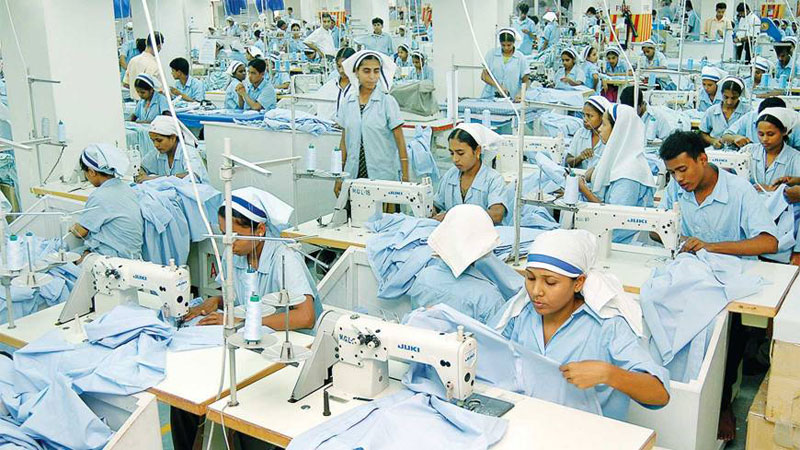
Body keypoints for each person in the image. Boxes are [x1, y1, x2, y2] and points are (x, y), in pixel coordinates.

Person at [174, 187, 319, 450]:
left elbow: (305, 316)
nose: (227, 242)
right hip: (250, 347)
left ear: (260, 230)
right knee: (183, 400)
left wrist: (242, 321)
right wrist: (216, 301)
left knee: (247, 413)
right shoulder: (237, 254)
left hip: (288, 354)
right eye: (223, 233)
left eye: (235, 235)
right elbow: (241, 295)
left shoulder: (285, 258)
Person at [659, 132, 778, 441]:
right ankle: (678, 395)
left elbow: (768, 241)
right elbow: (662, 228)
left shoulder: (739, 191)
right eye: (672, 172)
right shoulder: (677, 190)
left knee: (726, 333)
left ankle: (721, 404)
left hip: (730, 280)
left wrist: (711, 246)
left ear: (703, 159)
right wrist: (667, 235)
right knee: (660, 311)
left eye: (682, 169)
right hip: (693, 276)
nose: (678, 179)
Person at [491, 229, 670, 422]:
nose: (536, 291)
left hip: (586, 432)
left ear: (578, 283)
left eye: (550, 282)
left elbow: (659, 394)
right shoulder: (520, 316)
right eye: (531, 278)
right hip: (528, 423)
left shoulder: (608, 327)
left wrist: (609, 374)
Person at [578, 104, 656, 243]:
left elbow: (613, 217)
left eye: (604, 124)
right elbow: (598, 171)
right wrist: (590, 175)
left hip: (624, 242)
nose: (600, 129)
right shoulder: (620, 158)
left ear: (618, 130)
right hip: (611, 237)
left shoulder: (629, 174)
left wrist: (584, 190)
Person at [335, 50, 408, 194]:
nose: (372, 77)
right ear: (356, 72)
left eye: (376, 71)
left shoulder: (387, 102)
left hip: (383, 175)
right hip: (353, 174)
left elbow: (400, 141)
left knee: (383, 208)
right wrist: (339, 176)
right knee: (354, 207)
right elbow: (344, 142)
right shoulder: (348, 102)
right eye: (366, 71)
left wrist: (405, 177)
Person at [72, 144, 143, 259]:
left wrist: (72, 227)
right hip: (131, 255)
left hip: (114, 258)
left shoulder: (99, 196)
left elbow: (80, 232)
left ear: (91, 172)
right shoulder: (125, 188)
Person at [434, 124, 509, 225]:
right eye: (452, 153)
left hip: (484, 233)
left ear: (477, 151)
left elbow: (496, 215)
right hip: (454, 232)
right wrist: (429, 210)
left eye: (460, 153)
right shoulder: (451, 175)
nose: (455, 159)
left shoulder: (493, 179)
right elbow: (437, 204)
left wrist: (454, 217)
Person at [139, 115, 209, 183]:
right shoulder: (157, 153)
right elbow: (141, 167)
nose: (156, 145)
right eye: (153, 141)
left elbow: (193, 176)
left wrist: (156, 179)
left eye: (159, 140)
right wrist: (142, 176)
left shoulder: (188, 152)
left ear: (173, 138)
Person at [721, 97, 800, 149]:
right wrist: (735, 137)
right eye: (761, 134)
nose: (764, 139)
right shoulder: (750, 117)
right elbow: (725, 136)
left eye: (771, 134)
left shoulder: (796, 126)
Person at [699, 77, 751, 147]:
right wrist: (713, 141)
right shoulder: (711, 111)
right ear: (721, 93)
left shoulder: (748, 112)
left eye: (733, 98)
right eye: (726, 97)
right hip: (715, 151)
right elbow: (703, 133)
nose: (729, 102)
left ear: (739, 95)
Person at [480, 28, 530, 102]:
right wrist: (498, 86)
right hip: (490, 97)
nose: (506, 48)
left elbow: (526, 80)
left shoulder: (520, 57)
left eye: (509, 45)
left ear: (514, 42)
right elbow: (484, 76)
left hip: (512, 98)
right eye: (503, 45)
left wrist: (520, 94)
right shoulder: (491, 54)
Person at [566, 96, 609, 169]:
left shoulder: (609, 137)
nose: (585, 119)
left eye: (590, 116)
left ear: (602, 116)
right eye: (584, 115)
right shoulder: (580, 133)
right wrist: (580, 157)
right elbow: (568, 162)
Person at [316, 47, 356, 121]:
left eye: (345, 66)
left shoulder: (360, 87)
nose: (341, 70)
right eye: (339, 66)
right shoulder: (329, 87)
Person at [123, 32, 163, 100]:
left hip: (135, 102)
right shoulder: (154, 65)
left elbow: (125, 83)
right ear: (159, 46)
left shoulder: (133, 60)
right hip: (148, 103)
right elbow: (159, 90)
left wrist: (135, 92)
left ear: (146, 42)